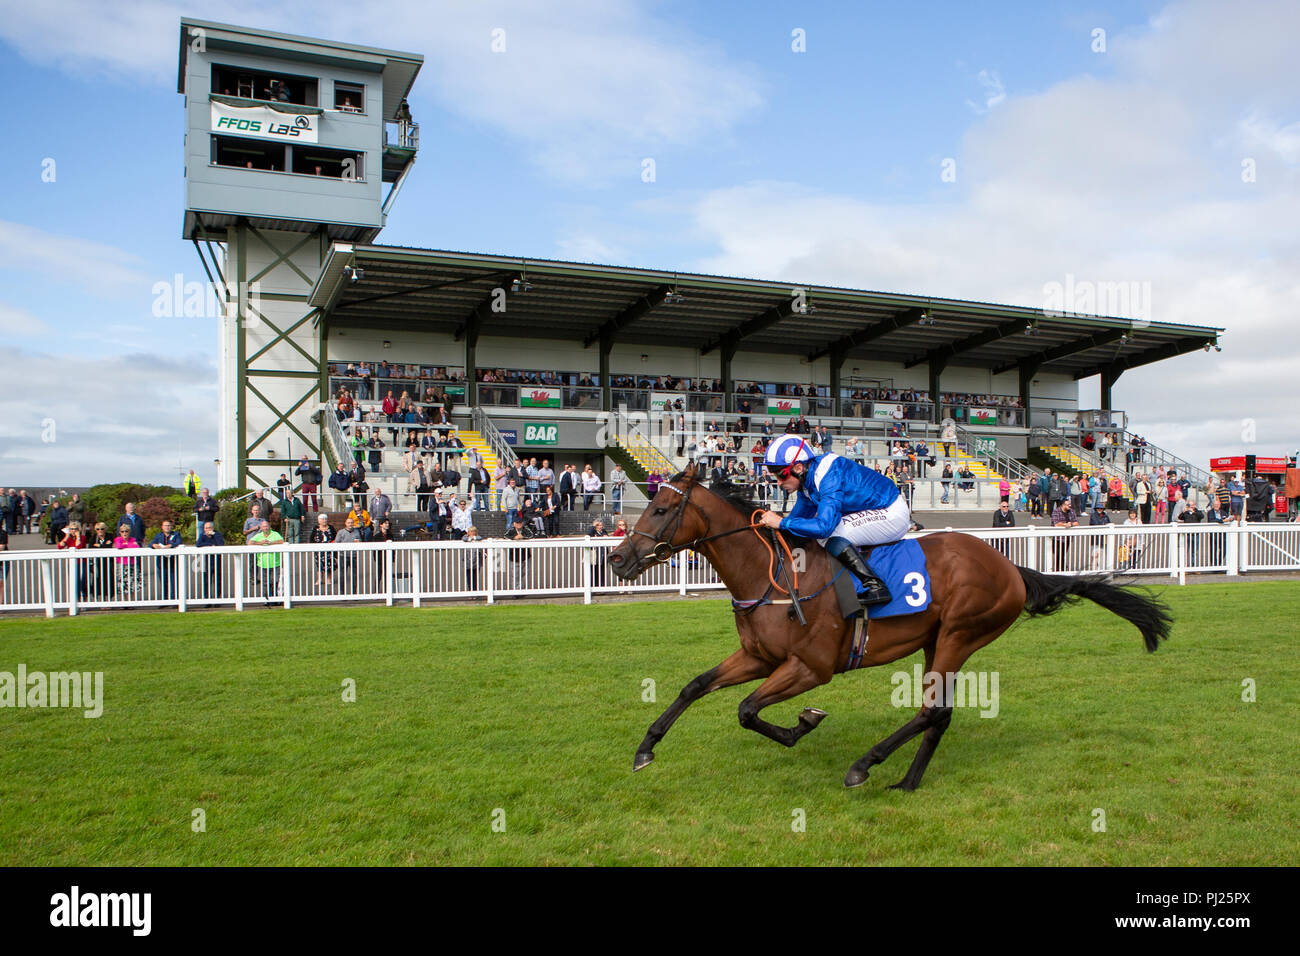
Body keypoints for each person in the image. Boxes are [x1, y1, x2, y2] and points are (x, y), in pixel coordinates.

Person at [757, 434, 905, 607]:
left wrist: (781, 522)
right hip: (875, 509)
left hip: (891, 511)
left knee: (828, 536)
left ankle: (876, 586)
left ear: (798, 467)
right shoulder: (806, 483)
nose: (779, 482)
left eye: (781, 475)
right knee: (801, 530)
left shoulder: (828, 475)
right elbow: (795, 522)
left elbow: (824, 527)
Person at [248, 518, 284, 606]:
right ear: (261, 527)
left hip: (275, 562)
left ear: (269, 526)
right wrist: (260, 543)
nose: (266, 528)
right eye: (264, 526)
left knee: (275, 581)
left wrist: (271, 543)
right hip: (263, 563)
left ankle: (275, 599)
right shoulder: (259, 535)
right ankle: (266, 599)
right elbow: (250, 542)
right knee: (265, 582)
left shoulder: (275, 534)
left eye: (267, 526)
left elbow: (281, 541)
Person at [150, 519, 183, 600]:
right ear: (162, 527)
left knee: (174, 582)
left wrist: (170, 545)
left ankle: (174, 600)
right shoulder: (158, 535)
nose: (167, 527)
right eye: (165, 525)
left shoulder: (176, 534)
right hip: (162, 563)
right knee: (164, 582)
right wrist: (154, 545)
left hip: (172, 563)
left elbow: (179, 542)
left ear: (171, 527)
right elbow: (151, 543)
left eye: (169, 525)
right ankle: (165, 600)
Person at [57, 521, 89, 600]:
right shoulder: (69, 538)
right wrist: (67, 536)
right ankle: (76, 599)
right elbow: (59, 546)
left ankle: (84, 598)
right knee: (74, 581)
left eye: (75, 529)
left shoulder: (82, 537)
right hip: (72, 563)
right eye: (71, 529)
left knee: (83, 581)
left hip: (82, 562)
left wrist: (78, 537)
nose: (73, 531)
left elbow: (78, 546)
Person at [196, 520, 225, 602]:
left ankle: (217, 599)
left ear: (212, 528)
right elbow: (198, 544)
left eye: (209, 527)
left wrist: (214, 535)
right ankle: (207, 599)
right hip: (206, 561)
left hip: (216, 560)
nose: (208, 529)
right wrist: (209, 545)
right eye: (206, 528)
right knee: (206, 581)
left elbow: (221, 544)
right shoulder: (202, 535)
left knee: (217, 581)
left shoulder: (217, 534)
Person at [309, 513, 338, 592]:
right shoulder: (315, 528)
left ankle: (328, 579)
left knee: (329, 565)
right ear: (319, 521)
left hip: (329, 549)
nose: (324, 521)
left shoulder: (331, 528)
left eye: (325, 519)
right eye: (322, 519)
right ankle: (319, 579)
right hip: (319, 549)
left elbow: (336, 537)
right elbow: (311, 539)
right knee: (319, 565)